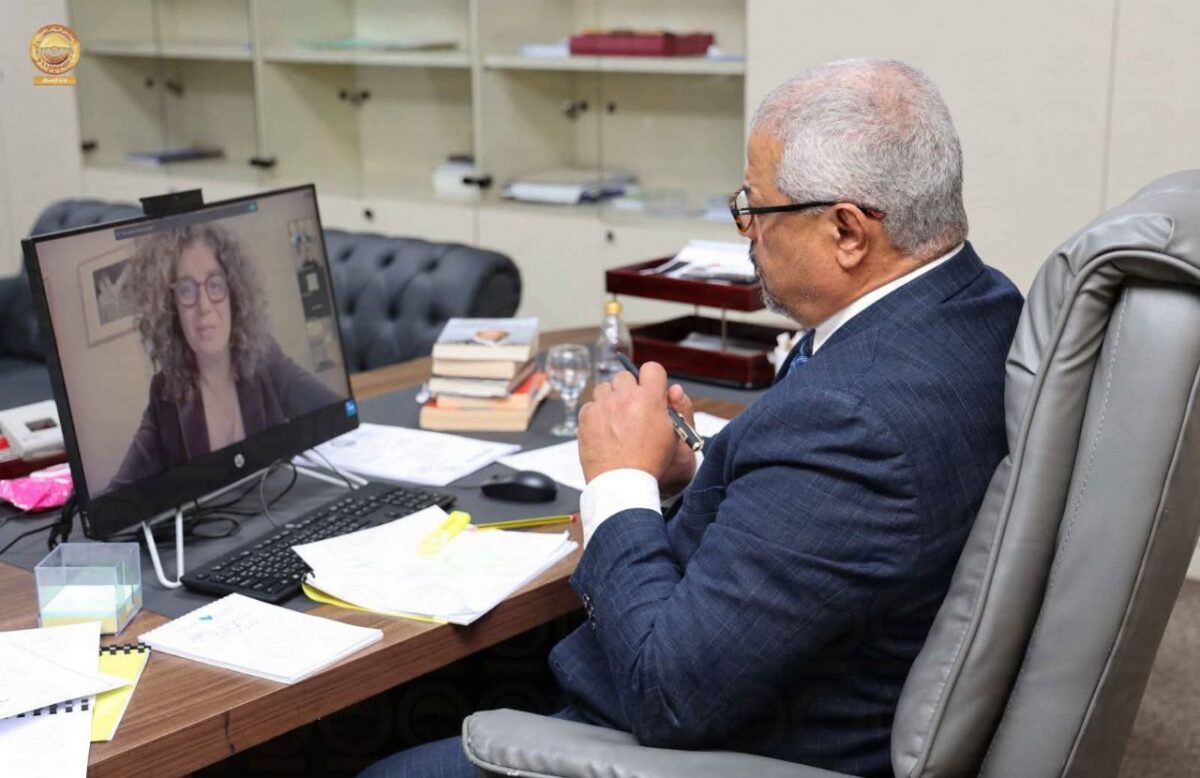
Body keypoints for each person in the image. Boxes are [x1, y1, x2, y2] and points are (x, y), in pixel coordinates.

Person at [360, 58, 1024, 778]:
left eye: (755, 209)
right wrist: (695, 472)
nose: (746, 231)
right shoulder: (985, 307)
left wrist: (619, 481)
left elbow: (668, 695)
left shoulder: (851, 421)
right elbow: (820, 521)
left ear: (848, 232)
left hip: (728, 746)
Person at [107, 222, 339, 492]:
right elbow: (118, 494)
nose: (204, 306)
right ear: (172, 310)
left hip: (278, 503)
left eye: (215, 284)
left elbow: (336, 415)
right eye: (186, 290)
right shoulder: (165, 392)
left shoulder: (266, 358)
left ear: (234, 294)